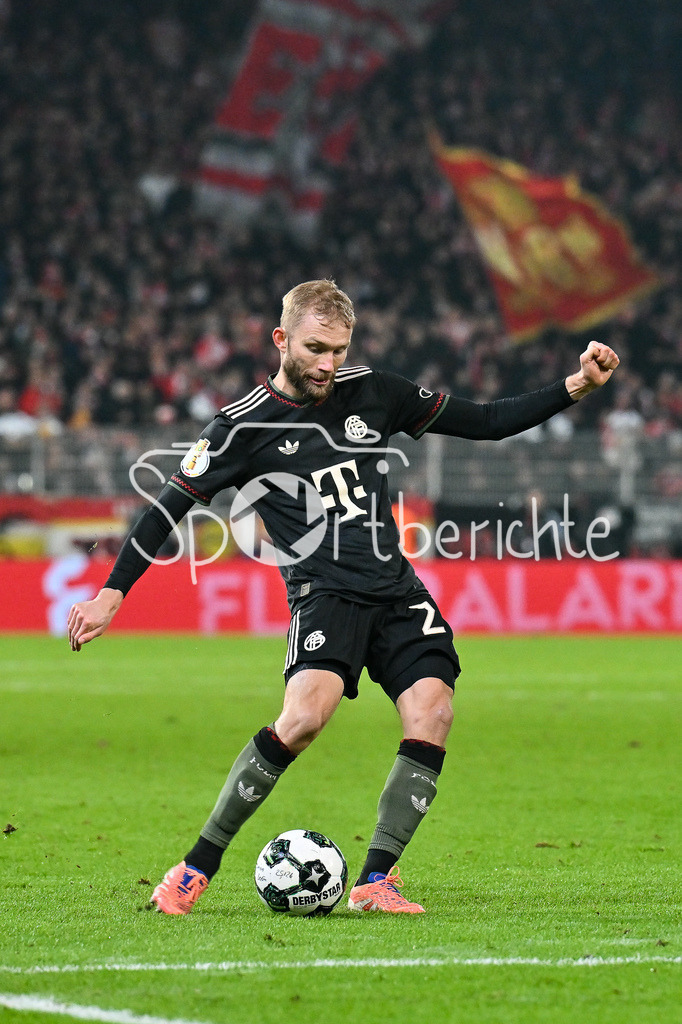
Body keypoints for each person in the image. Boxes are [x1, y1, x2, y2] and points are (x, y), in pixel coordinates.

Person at [67, 279, 619, 915]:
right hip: (324, 594)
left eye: (338, 350)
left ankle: (375, 880)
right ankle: (195, 868)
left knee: (434, 713)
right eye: (315, 349)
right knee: (303, 721)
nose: (328, 364)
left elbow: (488, 422)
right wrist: (111, 595)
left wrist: (577, 386)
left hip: (395, 590)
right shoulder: (240, 427)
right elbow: (166, 508)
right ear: (281, 340)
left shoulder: (374, 392)